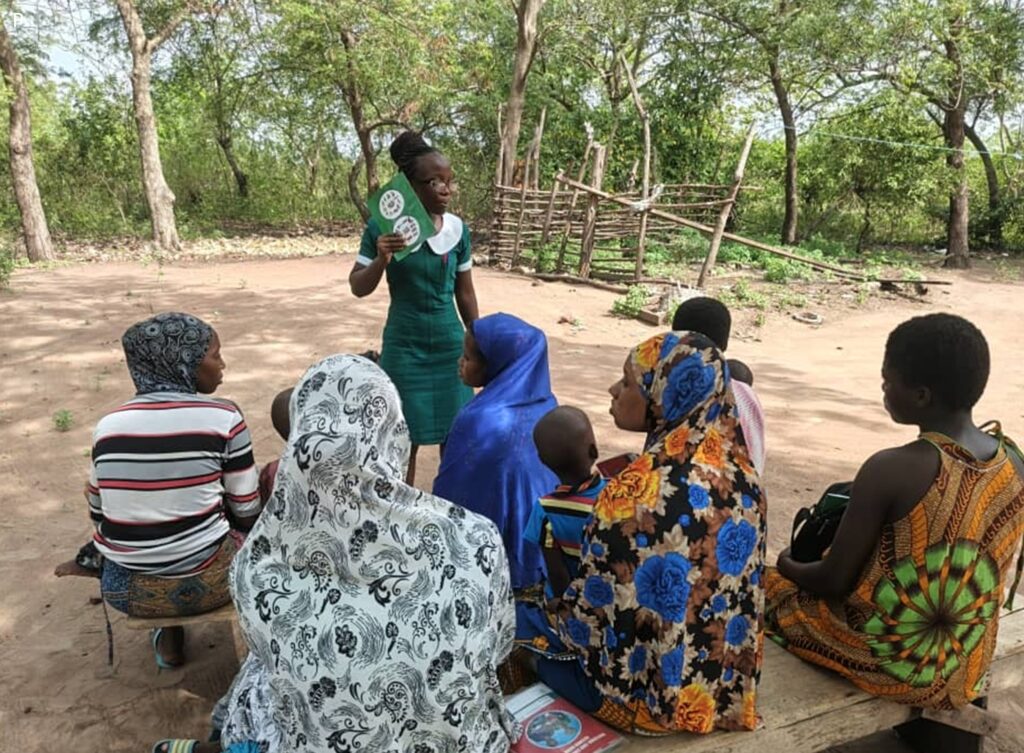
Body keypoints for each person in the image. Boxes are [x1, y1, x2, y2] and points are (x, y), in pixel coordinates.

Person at [170, 354, 518, 753]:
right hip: (462, 743)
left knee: (253, 688)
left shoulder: (258, 566)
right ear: (394, 430)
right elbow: (497, 646)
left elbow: (283, 678)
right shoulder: (475, 538)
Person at [766, 313, 1024, 709]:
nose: (883, 388)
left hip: (896, 667)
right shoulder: (1013, 461)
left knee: (766, 588)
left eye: (888, 379)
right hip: (964, 661)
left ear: (921, 395)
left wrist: (784, 566)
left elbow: (832, 581)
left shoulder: (892, 468)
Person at [518, 332, 767, 735]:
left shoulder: (633, 495)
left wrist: (545, 614)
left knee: (521, 630)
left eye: (629, 382)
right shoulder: (743, 476)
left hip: (648, 704)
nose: (614, 389)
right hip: (722, 690)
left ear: (663, 395)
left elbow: (590, 623)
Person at [89, 313, 261, 668]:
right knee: (254, 494)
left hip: (126, 590)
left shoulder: (108, 427)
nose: (222, 364)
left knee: (141, 509)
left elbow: (97, 509)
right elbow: (247, 508)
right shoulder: (224, 416)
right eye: (215, 355)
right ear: (186, 361)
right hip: (215, 583)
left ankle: (169, 640)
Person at [349, 131, 479, 485]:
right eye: (433, 181)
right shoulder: (382, 227)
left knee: (456, 438)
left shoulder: (457, 231)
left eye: (450, 181)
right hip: (404, 349)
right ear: (409, 185)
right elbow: (358, 286)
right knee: (402, 437)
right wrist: (381, 259)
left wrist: (477, 339)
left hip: (451, 347)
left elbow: (464, 293)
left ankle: (451, 510)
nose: (445, 190)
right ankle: (401, 518)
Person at [433, 313, 558, 590]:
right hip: (541, 546)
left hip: (491, 548)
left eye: (468, 357)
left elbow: (451, 493)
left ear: (497, 365)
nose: (460, 362)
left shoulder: (479, 418)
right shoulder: (547, 405)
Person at [673, 297, 766, 476]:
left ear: (676, 340)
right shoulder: (747, 394)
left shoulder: (678, 391)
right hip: (749, 493)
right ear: (725, 343)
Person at [525, 406, 607, 598]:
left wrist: (565, 606)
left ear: (542, 461)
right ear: (594, 451)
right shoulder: (613, 495)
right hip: (606, 594)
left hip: (570, 601)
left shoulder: (545, 510)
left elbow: (556, 571)